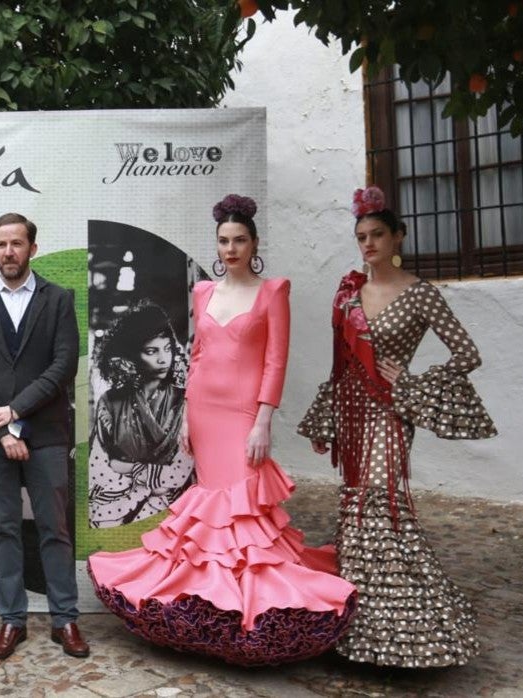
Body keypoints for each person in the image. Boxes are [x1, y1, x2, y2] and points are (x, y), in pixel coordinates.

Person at [88, 195, 357, 666]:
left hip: (242, 417)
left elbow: (276, 360)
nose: (231, 249)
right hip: (205, 412)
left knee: (243, 513)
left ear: (254, 244)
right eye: (224, 241)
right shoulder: (203, 293)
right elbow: (196, 357)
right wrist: (189, 416)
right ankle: (211, 601)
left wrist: (263, 420)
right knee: (211, 510)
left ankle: (247, 606)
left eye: (239, 240)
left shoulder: (273, 291)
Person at [299, 186, 496, 668]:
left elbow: (468, 354)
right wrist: (327, 419)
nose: (367, 244)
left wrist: (411, 381)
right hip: (353, 413)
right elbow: (341, 365)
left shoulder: (420, 294)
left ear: (397, 237)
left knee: (383, 504)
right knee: (355, 511)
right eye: (361, 236)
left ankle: (409, 632)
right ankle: (353, 630)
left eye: (377, 235)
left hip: (390, 412)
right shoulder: (349, 294)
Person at [0, 213, 88, 660]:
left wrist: (15, 413)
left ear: (32, 247)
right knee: (4, 530)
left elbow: (62, 366)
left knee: (55, 529)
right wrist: (3, 428)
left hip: (46, 435)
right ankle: (11, 621)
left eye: (16, 243)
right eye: (0, 244)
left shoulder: (58, 300)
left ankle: (64, 619)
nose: (8, 252)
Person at [87, 302, 193, 528]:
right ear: (133, 355)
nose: (163, 359)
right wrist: (147, 479)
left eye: (167, 349)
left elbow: (178, 474)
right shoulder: (110, 403)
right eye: (151, 351)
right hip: (116, 500)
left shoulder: (186, 401)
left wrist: (128, 467)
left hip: (172, 502)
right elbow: (99, 467)